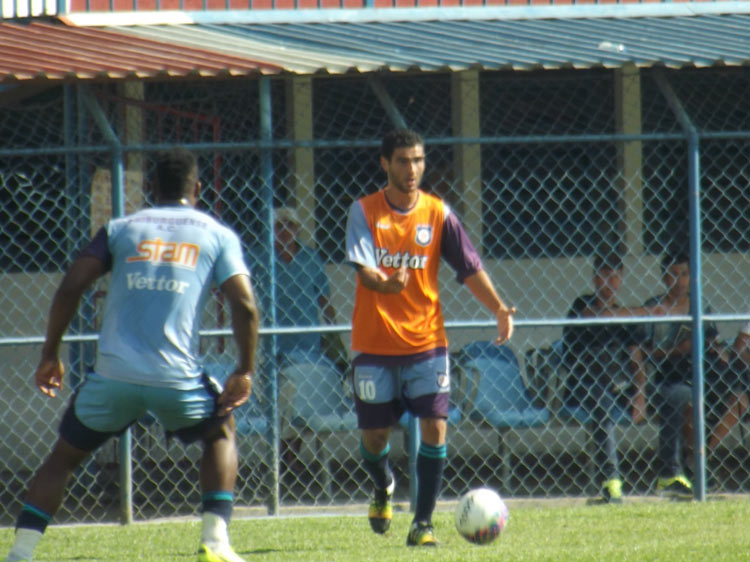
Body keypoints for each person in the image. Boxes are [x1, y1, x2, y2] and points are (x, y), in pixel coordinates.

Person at [3, 148, 258, 562]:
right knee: (220, 430)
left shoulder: (121, 228)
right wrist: (244, 369)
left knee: (63, 458)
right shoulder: (215, 233)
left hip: (112, 378)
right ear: (197, 189)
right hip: (176, 380)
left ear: (151, 189)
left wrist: (50, 354)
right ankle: (215, 541)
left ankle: (20, 552)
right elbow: (244, 305)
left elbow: (71, 286)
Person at [344, 129, 515, 546]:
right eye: (403, 161)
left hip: (427, 344)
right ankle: (383, 484)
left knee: (436, 429)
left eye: (418, 160)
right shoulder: (364, 211)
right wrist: (387, 286)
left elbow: (469, 267)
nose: (412, 169)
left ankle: (422, 524)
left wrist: (497, 307)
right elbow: (365, 270)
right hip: (374, 344)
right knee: (375, 438)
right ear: (385, 164)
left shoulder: (438, 213)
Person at [245, 206, 348, 475]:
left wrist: (332, 330)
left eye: (290, 226)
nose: (285, 232)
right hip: (273, 339)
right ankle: (282, 459)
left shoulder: (310, 258)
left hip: (307, 340)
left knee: (302, 398)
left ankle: (287, 460)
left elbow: (324, 298)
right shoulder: (260, 258)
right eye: (279, 226)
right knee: (279, 400)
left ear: (298, 230)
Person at [642, 250, 742, 499]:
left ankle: (697, 456)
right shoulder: (653, 308)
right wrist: (677, 350)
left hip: (704, 373)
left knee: (739, 397)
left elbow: (713, 342)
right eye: (673, 275)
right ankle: (697, 467)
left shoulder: (699, 304)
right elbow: (644, 353)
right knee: (686, 398)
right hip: (670, 376)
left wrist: (718, 351)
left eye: (685, 274)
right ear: (664, 277)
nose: (680, 281)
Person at [562, 252, 647, 504]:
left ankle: (673, 474)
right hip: (583, 386)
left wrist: (640, 394)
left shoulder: (625, 317)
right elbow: (597, 315)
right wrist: (643, 311)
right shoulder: (581, 306)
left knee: (672, 394)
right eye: (603, 276)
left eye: (614, 276)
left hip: (618, 388)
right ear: (594, 278)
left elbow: (636, 359)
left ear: (621, 279)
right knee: (601, 400)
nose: (609, 283)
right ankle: (612, 480)